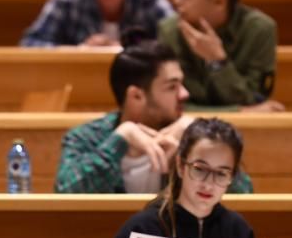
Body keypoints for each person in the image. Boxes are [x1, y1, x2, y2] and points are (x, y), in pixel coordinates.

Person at [74, 117, 253, 238]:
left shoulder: (238, 229)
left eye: (221, 173)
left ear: (232, 176)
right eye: (199, 169)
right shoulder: (144, 226)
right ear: (181, 166)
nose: (208, 184)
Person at [55, 41, 252, 196]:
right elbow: (65, 192)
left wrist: (202, 144)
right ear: (136, 96)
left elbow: (245, 193)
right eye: (171, 87)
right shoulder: (86, 137)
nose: (184, 94)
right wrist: (120, 140)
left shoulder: (190, 135)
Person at [158, 0, 282, 110]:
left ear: (219, 1)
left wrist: (217, 61)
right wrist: (237, 112)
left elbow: (254, 101)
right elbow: (172, 106)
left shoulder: (259, 30)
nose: (176, 0)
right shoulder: (169, 31)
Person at [20, 0, 173, 48]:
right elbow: (30, 44)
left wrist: (126, 48)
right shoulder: (67, 2)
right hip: (79, 84)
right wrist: (79, 50)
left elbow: (174, 46)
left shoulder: (150, 2)